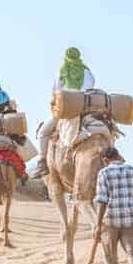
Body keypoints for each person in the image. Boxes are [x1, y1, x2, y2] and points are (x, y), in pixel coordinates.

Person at [34, 47, 96, 178]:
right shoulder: (87, 72)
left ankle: (42, 163)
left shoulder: (62, 71)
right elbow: (89, 89)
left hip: (66, 109)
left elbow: (55, 91)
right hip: (85, 108)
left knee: (43, 132)